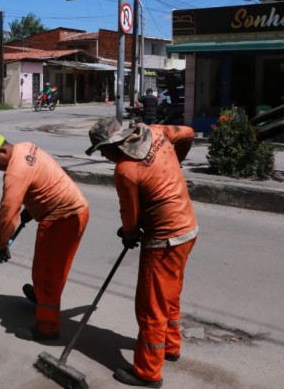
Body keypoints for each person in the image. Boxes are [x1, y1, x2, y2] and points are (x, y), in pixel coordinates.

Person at [86, 118, 198, 388]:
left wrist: (130, 234)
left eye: (102, 148)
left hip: (164, 240)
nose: (102, 154)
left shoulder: (125, 170)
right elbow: (189, 132)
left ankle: (148, 372)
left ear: (114, 143)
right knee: (169, 295)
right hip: (188, 229)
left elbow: (130, 216)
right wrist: (175, 163)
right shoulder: (156, 132)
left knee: (151, 306)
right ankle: (170, 347)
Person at [0, 133, 90, 340]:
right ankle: (44, 298)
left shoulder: (15, 172)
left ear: (2, 151)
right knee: (54, 268)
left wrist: (0, 245)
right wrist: (33, 207)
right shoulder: (25, 146)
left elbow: (8, 212)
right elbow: (41, 178)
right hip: (76, 209)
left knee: (46, 275)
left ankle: (46, 329)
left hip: (62, 218)